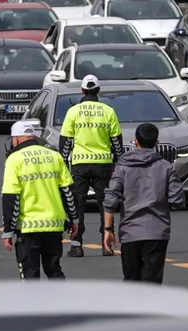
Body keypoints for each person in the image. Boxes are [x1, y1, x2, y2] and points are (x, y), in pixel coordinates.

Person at [102, 123, 184, 284]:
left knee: (132, 281)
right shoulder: (166, 168)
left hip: (130, 232)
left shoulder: (123, 167)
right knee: (152, 283)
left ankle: (134, 309)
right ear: (156, 143)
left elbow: (111, 199)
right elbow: (177, 201)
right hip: (157, 232)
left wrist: (107, 229)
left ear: (135, 142)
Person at [2, 121, 79, 280]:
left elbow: (12, 197)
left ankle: (36, 305)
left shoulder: (14, 159)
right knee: (55, 271)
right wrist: (75, 219)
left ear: (16, 139)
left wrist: (8, 230)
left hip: (28, 228)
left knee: (30, 276)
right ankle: (62, 304)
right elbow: (68, 192)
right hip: (54, 226)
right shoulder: (54, 155)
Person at [59, 74, 125, 257]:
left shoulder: (73, 112)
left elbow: (65, 142)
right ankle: (106, 244)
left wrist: (63, 164)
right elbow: (117, 143)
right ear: (98, 90)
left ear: (82, 90)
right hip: (103, 164)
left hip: (80, 164)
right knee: (105, 204)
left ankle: (76, 245)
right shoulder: (108, 111)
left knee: (78, 204)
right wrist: (119, 164)